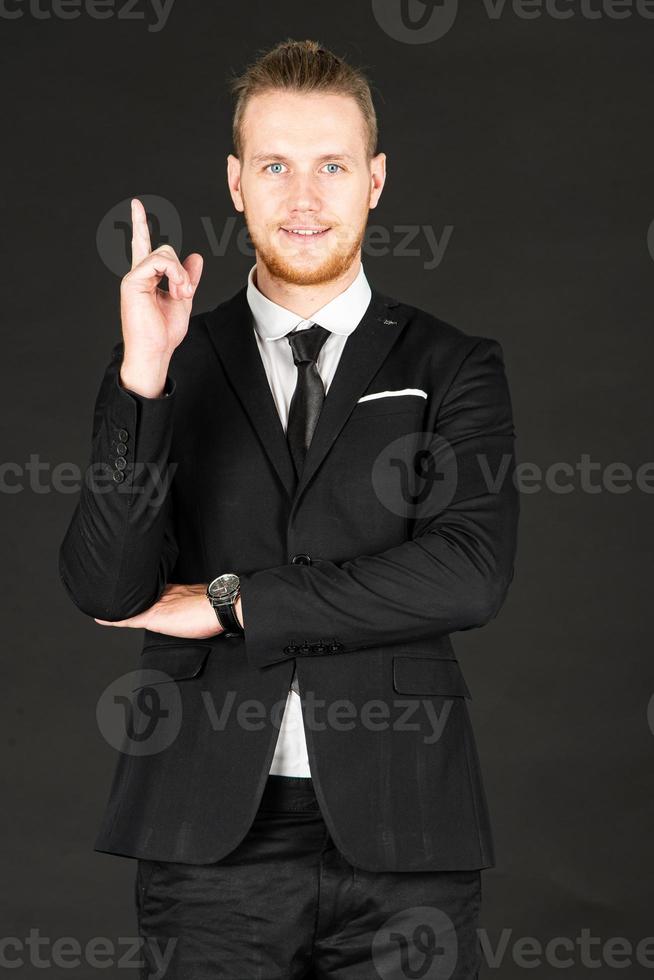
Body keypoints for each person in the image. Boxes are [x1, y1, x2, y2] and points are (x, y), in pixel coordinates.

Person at [59, 38, 519, 980]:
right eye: (275, 166)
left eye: (331, 166)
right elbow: (108, 586)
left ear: (375, 181)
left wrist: (234, 602)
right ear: (235, 182)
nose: (303, 198)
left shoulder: (454, 365)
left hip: (408, 835)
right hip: (206, 835)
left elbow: (468, 573)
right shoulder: (171, 359)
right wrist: (142, 372)